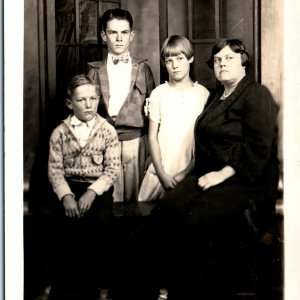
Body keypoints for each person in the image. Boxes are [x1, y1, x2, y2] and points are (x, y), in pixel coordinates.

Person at [144, 39, 280, 299]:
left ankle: (192, 291)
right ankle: (165, 286)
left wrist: (222, 174)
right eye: (217, 60)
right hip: (209, 176)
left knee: (195, 220)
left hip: (244, 180)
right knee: (167, 209)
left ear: (243, 62)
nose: (222, 64)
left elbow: (259, 147)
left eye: (229, 58)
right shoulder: (217, 96)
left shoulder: (256, 94)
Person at [46, 75, 121, 299]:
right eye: (81, 100)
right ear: (70, 103)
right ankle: (59, 284)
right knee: (60, 227)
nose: (88, 105)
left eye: (93, 99)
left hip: (97, 189)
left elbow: (112, 170)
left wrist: (91, 192)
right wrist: (66, 196)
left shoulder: (107, 130)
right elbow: (55, 170)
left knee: (100, 225)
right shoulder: (59, 132)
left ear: (98, 99)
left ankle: (102, 285)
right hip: (69, 188)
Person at [87, 8, 155, 203]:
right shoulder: (93, 70)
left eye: (124, 33)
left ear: (131, 35)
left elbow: (154, 109)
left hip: (135, 140)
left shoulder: (143, 68)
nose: (119, 38)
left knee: (136, 199)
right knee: (108, 198)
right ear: (103, 35)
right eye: (112, 32)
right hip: (102, 142)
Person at [138, 35, 209, 202]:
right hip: (160, 171)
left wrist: (184, 174)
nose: (175, 65)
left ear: (190, 58)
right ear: (164, 63)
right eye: (169, 60)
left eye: (180, 58)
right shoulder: (158, 94)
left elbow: (203, 142)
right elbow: (152, 137)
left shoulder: (203, 94)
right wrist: (162, 174)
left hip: (189, 172)